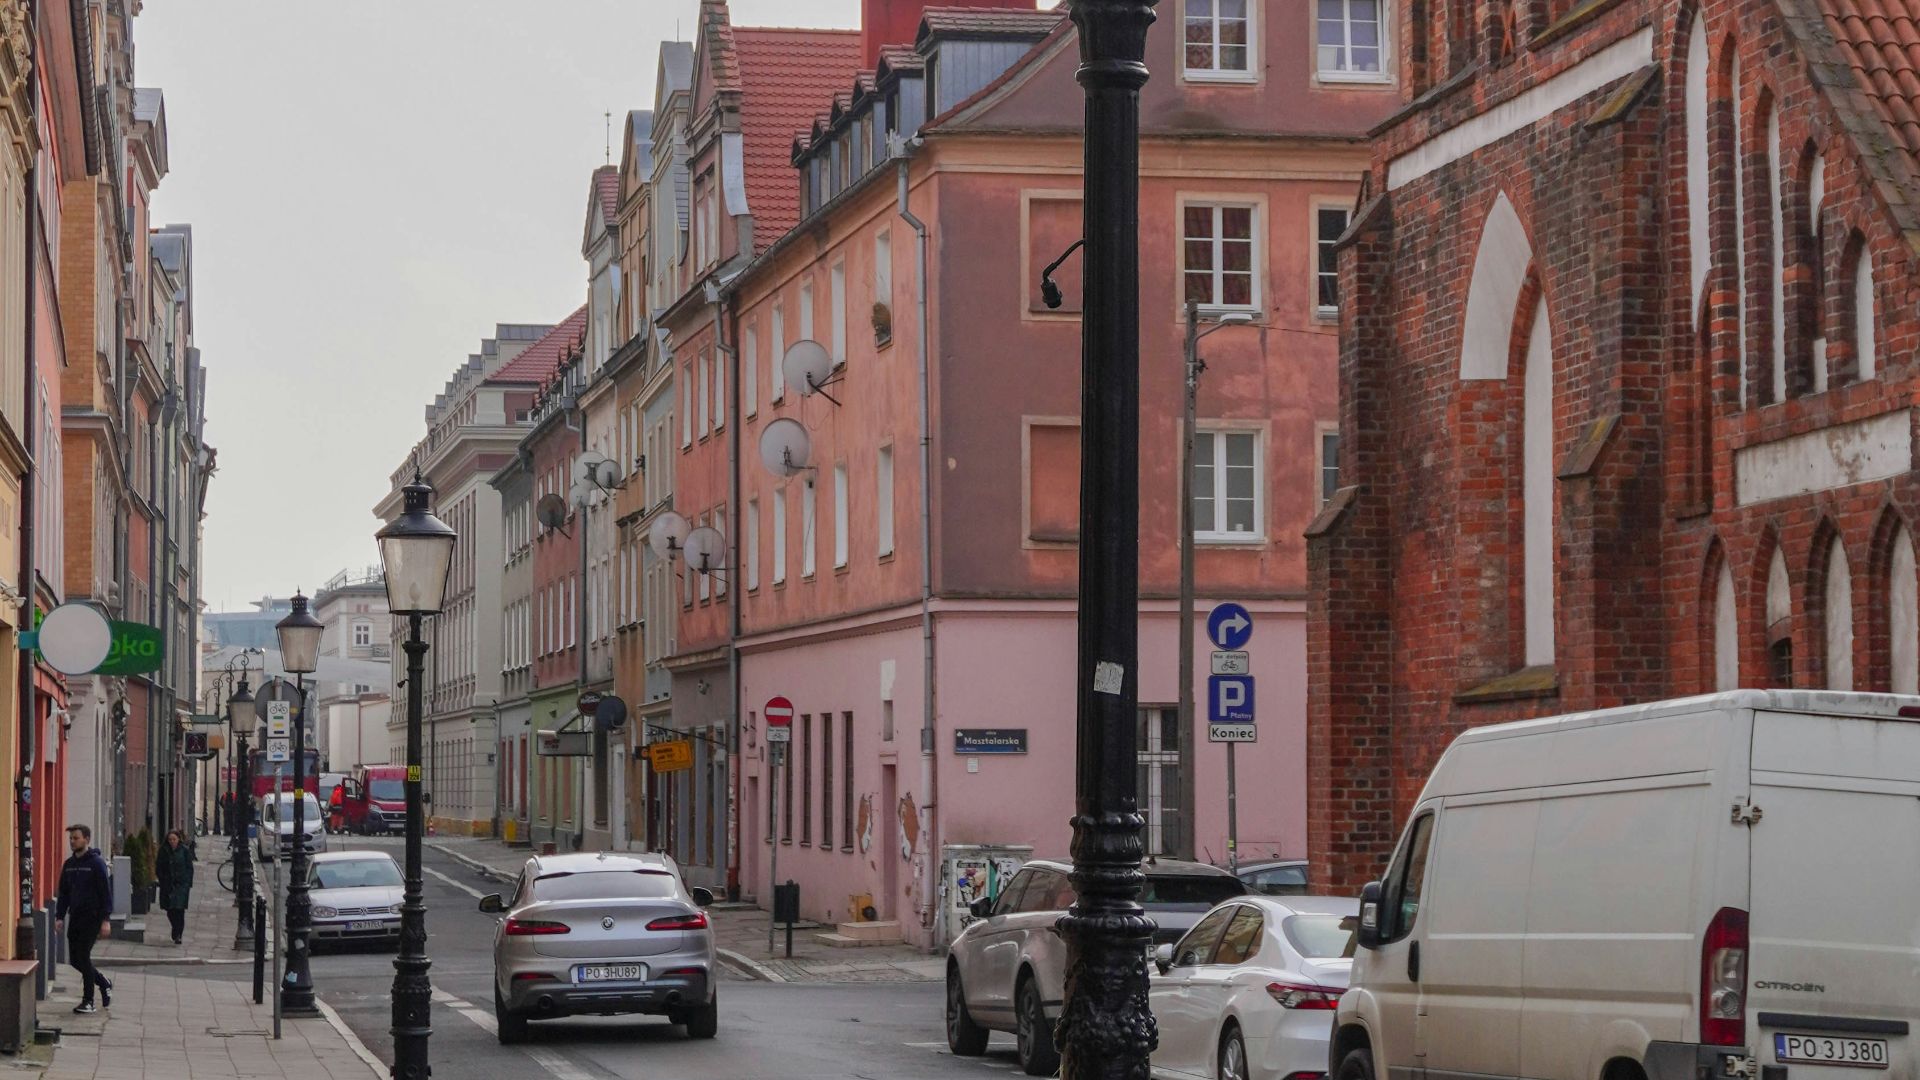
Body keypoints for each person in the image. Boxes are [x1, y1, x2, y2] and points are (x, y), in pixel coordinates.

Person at [55, 825, 112, 1014]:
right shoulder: (69, 865)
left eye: (76, 838)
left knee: (83, 956)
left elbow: (105, 893)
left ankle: (88, 1001)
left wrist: (105, 919)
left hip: (92, 917)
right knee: (75, 960)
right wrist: (59, 916)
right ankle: (104, 983)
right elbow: (63, 893)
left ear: (86, 839)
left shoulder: (96, 863)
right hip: (76, 916)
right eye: (71, 838)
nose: (72, 841)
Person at [155, 829, 194, 945]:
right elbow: (159, 867)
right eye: (170, 839)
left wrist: (187, 883)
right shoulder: (163, 851)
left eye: (174, 839)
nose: (172, 841)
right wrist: (162, 879)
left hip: (181, 885)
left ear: (178, 840)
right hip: (167, 885)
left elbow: (189, 868)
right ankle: (174, 927)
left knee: (179, 910)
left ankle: (178, 934)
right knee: (170, 910)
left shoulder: (184, 851)